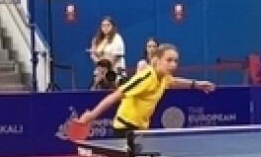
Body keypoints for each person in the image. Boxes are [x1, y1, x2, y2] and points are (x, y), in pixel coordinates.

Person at [74, 43, 216, 137]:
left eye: (175, 61)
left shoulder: (164, 77)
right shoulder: (146, 77)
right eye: (169, 60)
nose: (173, 64)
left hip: (140, 130)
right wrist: (91, 116)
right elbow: (116, 95)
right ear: (157, 60)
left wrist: (196, 84)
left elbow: (173, 82)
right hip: (125, 129)